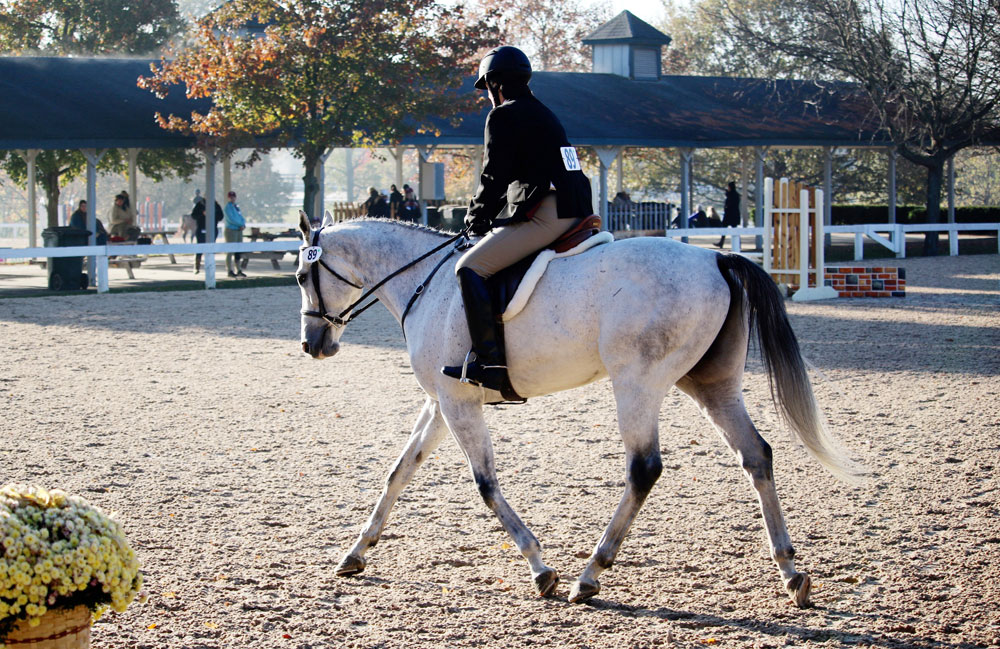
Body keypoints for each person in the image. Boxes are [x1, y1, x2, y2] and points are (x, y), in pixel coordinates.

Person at [440, 45, 593, 396]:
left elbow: (494, 176)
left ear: (495, 84)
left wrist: (476, 218)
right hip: (575, 208)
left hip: (547, 212)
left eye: (487, 90)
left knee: (469, 268)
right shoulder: (544, 112)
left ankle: (490, 363)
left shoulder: (504, 115)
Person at [191, 196, 223, 274]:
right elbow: (193, 215)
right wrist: (202, 213)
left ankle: (210, 266)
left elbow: (221, 216)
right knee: (200, 247)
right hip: (202, 228)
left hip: (212, 229)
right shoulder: (200, 204)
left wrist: (214, 214)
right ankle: (197, 266)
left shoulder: (216, 205)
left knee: (211, 248)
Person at [223, 190, 247, 277]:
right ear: (228, 197)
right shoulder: (227, 207)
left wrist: (243, 224)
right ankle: (229, 270)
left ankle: (239, 269)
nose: (232, 198)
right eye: (231, 197)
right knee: (230, 251)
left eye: (233, 196)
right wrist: (240, 224)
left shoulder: (236, 207)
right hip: (231, 230)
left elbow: (241, 217)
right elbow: (231, 219)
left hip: (239, 230)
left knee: (238, 251)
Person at [716, 181, 742, 248]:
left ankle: (721, 242)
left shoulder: (732, 195)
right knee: (734, 229)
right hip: (734, 215)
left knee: (725, 228)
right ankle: (738, 244)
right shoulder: (736, 194)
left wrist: (727, 194)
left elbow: (729, 204)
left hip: (729, 215)